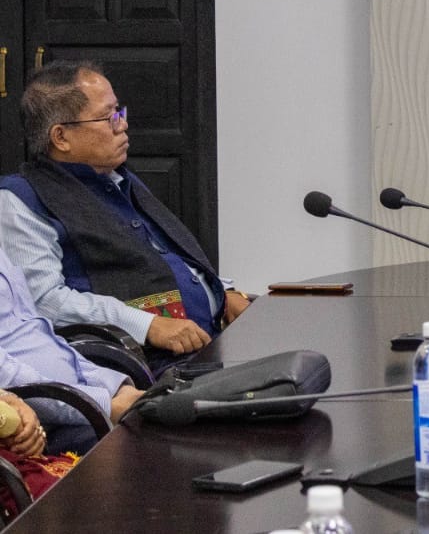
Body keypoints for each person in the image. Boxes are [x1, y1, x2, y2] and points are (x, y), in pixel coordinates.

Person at [0, 61, 251, 371]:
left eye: (119, 111)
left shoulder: (116, 179)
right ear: (61, 137)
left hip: (209, 342)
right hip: (143, 368)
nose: (122, 125)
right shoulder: (22, 199)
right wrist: (146, 325)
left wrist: (222, 293)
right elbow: (43, 301)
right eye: (109, 117)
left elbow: (165, 255)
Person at [0, 243, 145, 455]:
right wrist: (102, 406)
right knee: (150, 445)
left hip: (75, 401)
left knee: (177, 418)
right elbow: (6, 375)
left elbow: (39, 335)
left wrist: (113, 387)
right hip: (44, 422)